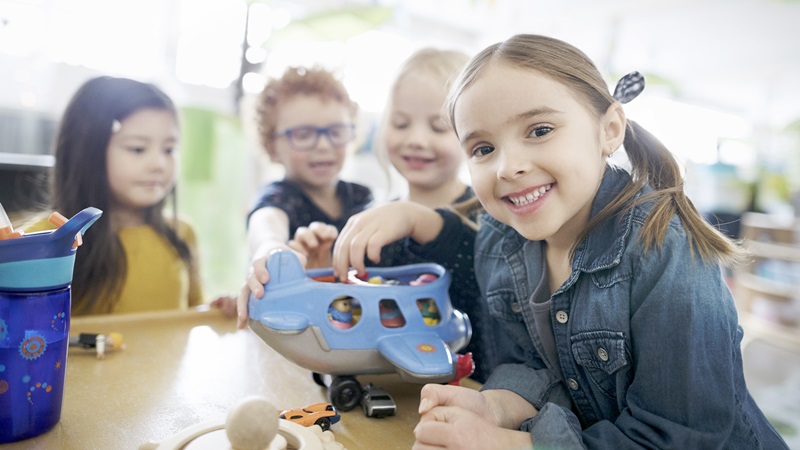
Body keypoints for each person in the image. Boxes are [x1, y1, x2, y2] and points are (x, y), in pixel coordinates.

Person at [328, 34, 789, 449]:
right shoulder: (500, 238)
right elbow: (532, 368)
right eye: (483, 149)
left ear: (609, 130)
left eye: (540, 131)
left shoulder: (664, 247)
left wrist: (508, 445)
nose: (508, 166)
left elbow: (680, 436)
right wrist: (494, 408)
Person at [287, 48, 511, 383]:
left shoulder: (491, 216)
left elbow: (474, 260)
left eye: (438, 127)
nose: (416, 140)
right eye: (401, 123)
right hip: (382, 395)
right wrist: (325, 273)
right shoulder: (374, 216)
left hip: (466, 397)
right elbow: (353, 315)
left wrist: (417, 220)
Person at [25, 76, 205, 315]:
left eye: (169, 149)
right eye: (138, 149)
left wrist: (220, 308)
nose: (159, 164)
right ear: (87, 151)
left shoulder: (182, 232)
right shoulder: (41, 241)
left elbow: (196, 317)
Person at [235, 66, 373, 328]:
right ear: (271, 147)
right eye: (303, 135)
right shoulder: (279, 196)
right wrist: (271, 248)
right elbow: (265, 221)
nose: (323, 145)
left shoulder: (361, 197)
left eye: (336, 132)